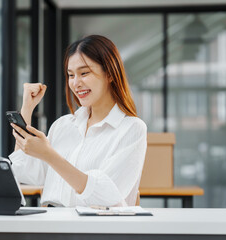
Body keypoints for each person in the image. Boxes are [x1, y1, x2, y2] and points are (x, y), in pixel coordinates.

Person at [9, 35, 147, 207]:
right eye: (70, 75)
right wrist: (27, 109)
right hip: (49, 226)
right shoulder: (63, 125)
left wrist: (50, 155)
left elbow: (106, 196)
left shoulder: (131, 129)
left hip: (91, 230)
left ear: (110, 74)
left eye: (84, 73)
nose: (75, 83)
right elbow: (23, 170)